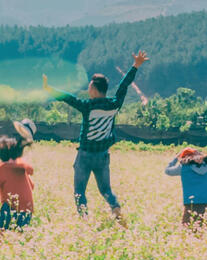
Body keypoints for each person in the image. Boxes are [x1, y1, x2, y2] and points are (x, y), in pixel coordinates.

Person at [42, 51, 149, 219]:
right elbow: (124, 85)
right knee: (106, 190)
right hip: (103, 155)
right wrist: (135, 66)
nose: (88, 88)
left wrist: (49, 89)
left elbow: (68, 98)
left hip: (84, 155)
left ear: (94, 89)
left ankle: (84, 219)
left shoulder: (87, 106)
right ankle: (115, 206)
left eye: (90, 86)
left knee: (79, 191)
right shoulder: (115, 104)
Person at [0, 135, 35, 241]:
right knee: (20, 236)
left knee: (0, 232)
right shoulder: (21, 167)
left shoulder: (1, 169)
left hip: (11, 206)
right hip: (28, 207)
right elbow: (32, 185)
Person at [164, 147, 207, 228]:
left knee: (188, 230)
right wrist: (200, 155)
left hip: (191, 203)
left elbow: (167, 171)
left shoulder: (183, 168)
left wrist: (176, 158)